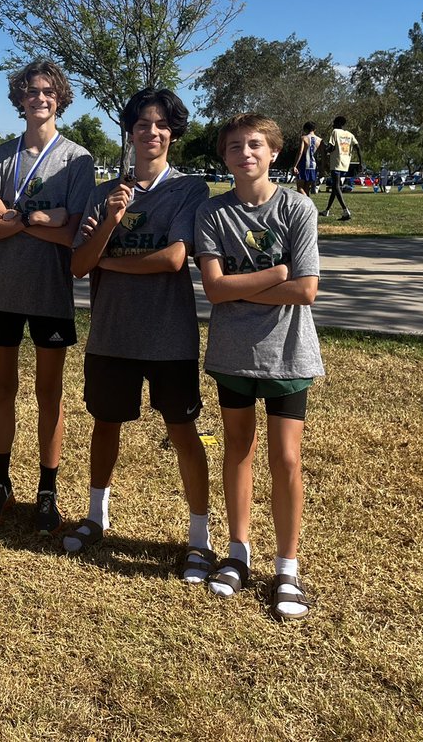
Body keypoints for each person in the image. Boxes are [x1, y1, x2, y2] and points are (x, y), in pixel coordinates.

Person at [66, 89, 214, 584]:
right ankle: (96, 517)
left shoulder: (189, 191)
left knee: (181, 431)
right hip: (111, 334)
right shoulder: (105, 193)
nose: (152, 132)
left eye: (161, 125)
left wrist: (109, 261)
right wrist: (109, 218)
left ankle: (199, 540)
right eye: (142, 125)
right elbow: (78, 267)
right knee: (105, 424)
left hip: (169, 335)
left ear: (173, 133)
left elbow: (174, 258)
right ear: (129, 132)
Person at [194, 113, 324, 621]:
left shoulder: (298, 208)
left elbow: (307, 290)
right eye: (234, 146)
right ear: (223, 156)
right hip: (233, 354)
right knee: (238, 450)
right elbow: (214, 289)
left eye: (254, 145)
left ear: (273, 152)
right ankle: (237, 553)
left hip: (289, 353)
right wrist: (275, 272)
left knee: (286, 460)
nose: (245, 153)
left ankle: (287, 567)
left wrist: (241, 286)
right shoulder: (212, 213)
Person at [0, 59, 94, 534]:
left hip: (50, 294)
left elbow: (76, 239)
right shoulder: (0, 157)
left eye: (47, 91)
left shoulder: (77, 160)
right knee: (2, 390)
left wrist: (18, 218)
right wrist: (46, 217)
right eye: (30, 91)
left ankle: (48, 491)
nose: (38, 98)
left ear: (59, 98)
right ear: (19, 99)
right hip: (3, 292)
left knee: (50, 394)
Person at [320, 115, 357, 221]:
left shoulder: (335, 132)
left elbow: (331, 147)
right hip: (345, 163)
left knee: (336, 186)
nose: (333, 125)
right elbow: (357, 147)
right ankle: (326, 210)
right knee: (335, 187)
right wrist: (360, 162)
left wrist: (324, 148)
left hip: (336, 162)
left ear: (338, 124)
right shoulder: (349, 134)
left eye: (334, 123)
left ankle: (345, 210)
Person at [293, 122, 319, 197]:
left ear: (305, 129)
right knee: (306, 189)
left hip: (304, 164)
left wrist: (295, 165)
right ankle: (308, 207)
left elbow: (300, 152)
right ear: (315, 129)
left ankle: (308, 204)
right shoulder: (320, 140)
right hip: (313, 165)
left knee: (300, 188)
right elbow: (323, 155)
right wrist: (322, 168)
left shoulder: (304, 138)